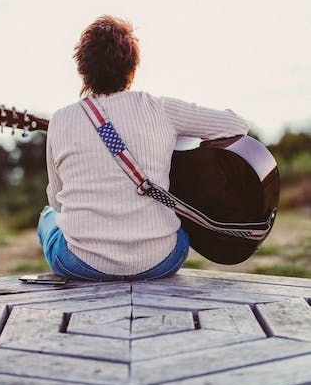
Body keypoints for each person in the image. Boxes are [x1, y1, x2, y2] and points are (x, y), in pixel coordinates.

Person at [37, 15, 250, 281]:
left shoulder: (60, 119)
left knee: (47, 217)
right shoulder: (160, 109)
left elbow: (57, 201)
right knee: (177, 232)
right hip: (162, 260)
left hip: (82, 264)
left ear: (82, 70)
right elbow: (236, 124)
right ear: (133, 69)